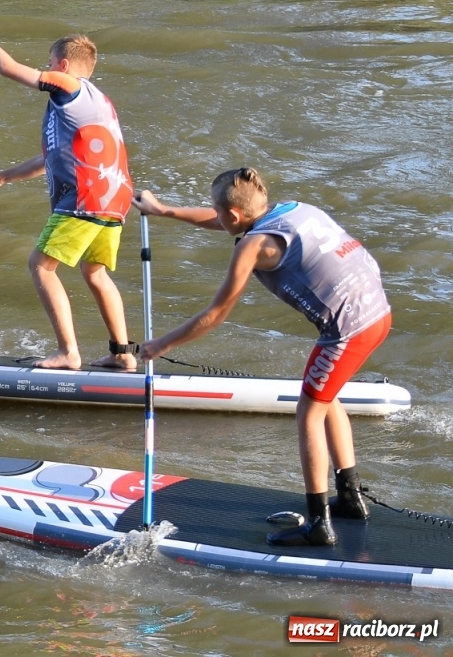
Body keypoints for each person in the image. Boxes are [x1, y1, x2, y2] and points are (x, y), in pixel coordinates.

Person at [136, 168, 391, 547]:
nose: (216, 216)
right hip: (378, 313)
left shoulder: (251, 246)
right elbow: (226, 220)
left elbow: (216, 314)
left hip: (348, 331)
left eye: (216, 210)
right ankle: (351, 498)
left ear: (234, 216)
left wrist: (163, 345)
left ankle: (319, 525)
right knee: (325, 395)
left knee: (309, 411)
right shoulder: (293, 208)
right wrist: (164, 211)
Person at [0, 20, 136, 371]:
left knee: (41, 266)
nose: (46, 68)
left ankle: (68, 352)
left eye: (49, 61)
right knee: (95, 273)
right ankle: (122, 354)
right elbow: (52, 158)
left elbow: (8, 68)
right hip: (114, 200)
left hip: (84, 199)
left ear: (64, 65)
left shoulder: (69, 85)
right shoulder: (98, 103)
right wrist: (4, 176)